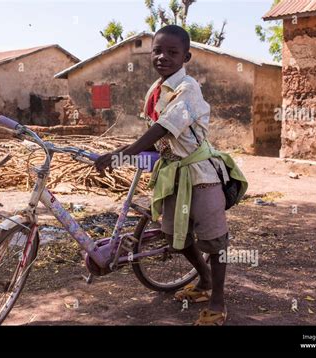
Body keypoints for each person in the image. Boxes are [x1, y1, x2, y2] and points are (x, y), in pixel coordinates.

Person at [95, 25, 229, 326]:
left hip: (201, 173)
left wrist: (123, 154)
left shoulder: (188, 88)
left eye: (172, 52)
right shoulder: (155, 91)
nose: (162, 57)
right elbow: (155, 138)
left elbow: (163, 128)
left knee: (215, 240)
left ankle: (218, 302)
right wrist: (126, 152)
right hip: (173, 173)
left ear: (186, 56)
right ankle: (204, 281)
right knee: (175, 238)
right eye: (157, 50)